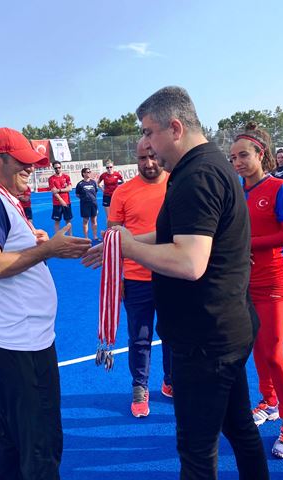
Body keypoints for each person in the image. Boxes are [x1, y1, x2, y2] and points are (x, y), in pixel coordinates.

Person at [85, 86, 269, 479]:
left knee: (196, 451)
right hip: (223, 327)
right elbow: (178, 234)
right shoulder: (205, 165)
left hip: (205, 339)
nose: (146, 144)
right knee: (239, 429)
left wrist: (130, 248)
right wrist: (122, 244)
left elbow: (189, 261)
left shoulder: (196, 176)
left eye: (149, 132)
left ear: (175, 128)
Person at [0, 127, 91, 479]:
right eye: (22, 161)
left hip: (20, 340)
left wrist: (39, 246)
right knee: (40, 443)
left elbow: (7, 253)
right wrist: (47, 249)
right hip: (21, 344)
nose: (31, 168)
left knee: (14, 436)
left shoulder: (4, 199)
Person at [230, 123, 283, 459]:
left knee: (273, 353)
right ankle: (269, 401)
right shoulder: (234, 191)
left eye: (243, 155)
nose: (238, 163)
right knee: (256, 349)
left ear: (261, 154)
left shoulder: (280, 189)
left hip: (272, 283)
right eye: (233, 157)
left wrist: (248, 244)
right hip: (242, 284)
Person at [107, 140, 172, 418]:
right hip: (136, 278)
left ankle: (171, 381)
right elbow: (113, 240)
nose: (148, 163)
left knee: (173, 334)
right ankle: (140, 387)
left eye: (153, 156)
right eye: (142, 158)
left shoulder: (176, 185)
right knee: (140, 338)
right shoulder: (123, 192)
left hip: (172, 273)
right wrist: (117, 278)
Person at [49, 160, 73, 234]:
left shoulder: (66, 177)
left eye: (59, 167)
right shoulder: (51, 179)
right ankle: (57, 238)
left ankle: (70, 237)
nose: (58, 169)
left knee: (68, 221)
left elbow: (70, 188)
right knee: (57, 221)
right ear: (53, 168)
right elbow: (54, 191)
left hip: (67, 202)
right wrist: (61, 200)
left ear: (61, 167)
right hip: (57, 203)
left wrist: (59, 190)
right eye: (56, 168)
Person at [75, 167, 99, 241]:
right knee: (85, 221)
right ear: (83, 174)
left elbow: (95, 192)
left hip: (93, 204)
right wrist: (84, 199)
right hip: (85, 205)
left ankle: (95, 236)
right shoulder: (80, 184)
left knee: (94, 220)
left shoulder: (93, 182)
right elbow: (77, 194)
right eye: (87, 172)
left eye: (89, 172)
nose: (89, 173)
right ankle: (86, 237)